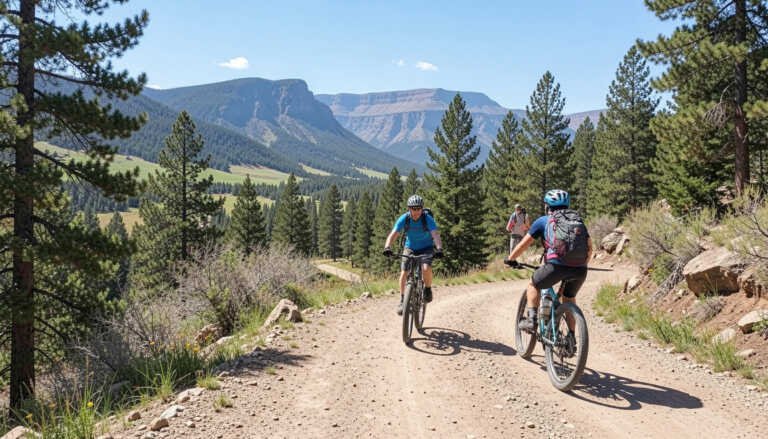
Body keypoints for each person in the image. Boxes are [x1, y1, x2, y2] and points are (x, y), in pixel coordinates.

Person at [506, 189, 593, 335]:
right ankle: (571, 337)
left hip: (555, 266)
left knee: (533, 284)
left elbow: (523, 245)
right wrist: (581, 264)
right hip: (580, 269)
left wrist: (511, 259)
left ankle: (531, 321)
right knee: (569, 298)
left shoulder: (543, 221)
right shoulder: (577, 221)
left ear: (547, 206)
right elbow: (590, 247)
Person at [383, 194, 444, 315]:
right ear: (409, 208)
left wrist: (439, 248)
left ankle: (427, 289)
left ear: (422, 208)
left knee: (426, 268)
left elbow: (435, 234)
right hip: (410, 247)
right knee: (404, 273)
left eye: (418, 208)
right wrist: (387, 247)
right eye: (413, 208)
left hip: (426, 248)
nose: (416, 211)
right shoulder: (404, 219)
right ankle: (402, 300)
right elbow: (394, 234)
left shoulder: (427, 219)